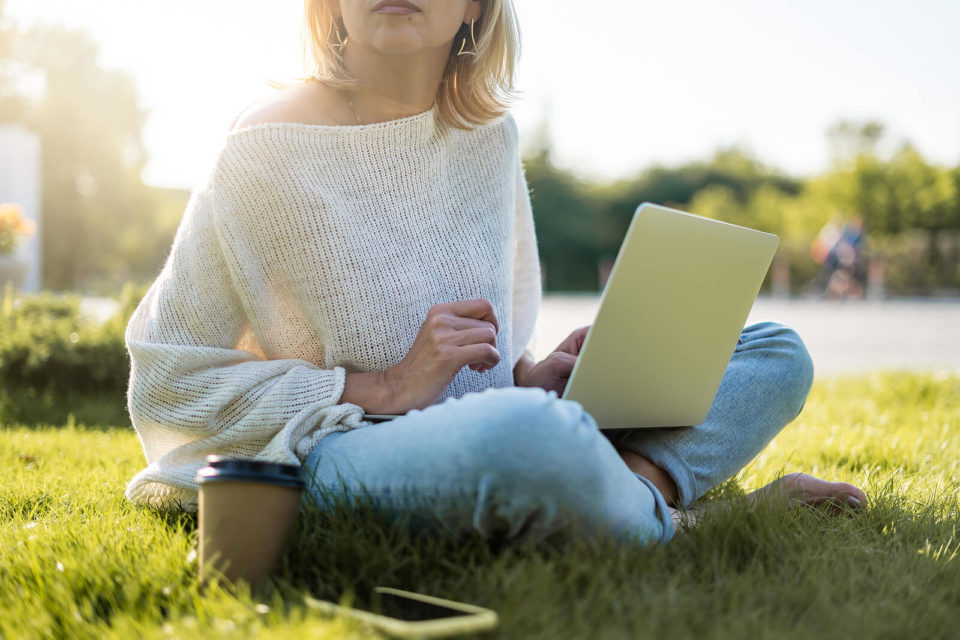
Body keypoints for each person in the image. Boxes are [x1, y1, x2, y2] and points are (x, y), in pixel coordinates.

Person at [124, 0, 865, 544]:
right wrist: (379, 387)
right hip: (344, 449)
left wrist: (532, 376)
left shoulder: (488, 142)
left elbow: (490, 356)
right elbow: (167, 377)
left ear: (476, 7)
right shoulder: (262, 149)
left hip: (499, 423)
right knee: (525, 438)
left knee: (775, 353)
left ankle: (634, 488)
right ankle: (692, 520)